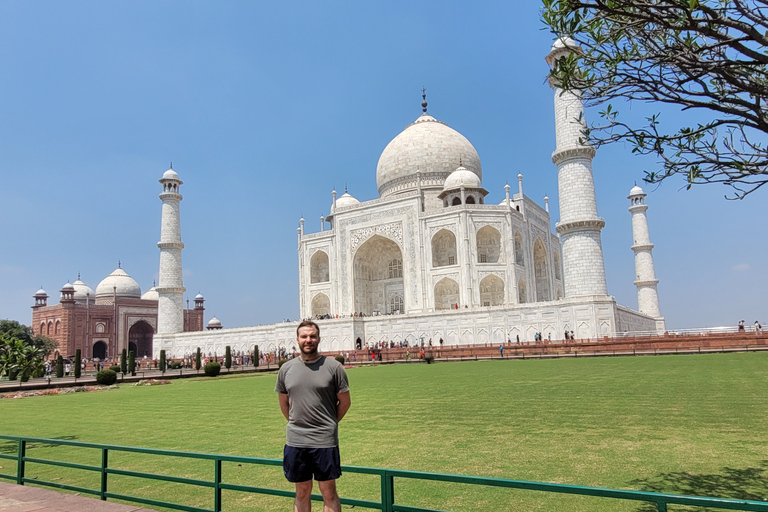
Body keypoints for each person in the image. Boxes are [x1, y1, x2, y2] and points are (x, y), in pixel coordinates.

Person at [275, 320, 351, 512]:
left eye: (312, 336)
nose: (308, 340)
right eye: (304, 336)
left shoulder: (334, 367)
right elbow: (284, 403)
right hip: (296, 440)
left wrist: (328, 423)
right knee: (301, 492)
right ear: (297, 340)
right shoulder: (286, 369)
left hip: (324, 440)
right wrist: (297, 422)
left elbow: (345, 402)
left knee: (329, 492)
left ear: (318, 338)